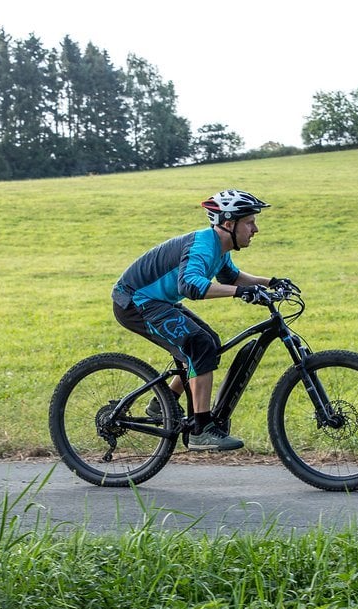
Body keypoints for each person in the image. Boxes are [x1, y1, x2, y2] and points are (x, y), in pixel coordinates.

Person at [111, 189, 295, 450]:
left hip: (156, 301)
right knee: (200, 344)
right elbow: (190, 285)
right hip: (133, 301)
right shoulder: (203, 245)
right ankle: (200, 430)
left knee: (209, 343)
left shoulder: (219, 247)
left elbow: (231, 278)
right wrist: (241, 293)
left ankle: (163, 403)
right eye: (250, 222)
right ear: (229, 224)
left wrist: (271, 282)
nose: (255, 229)